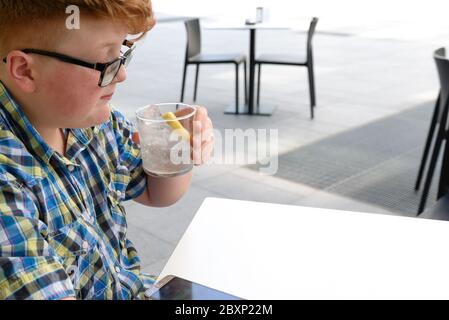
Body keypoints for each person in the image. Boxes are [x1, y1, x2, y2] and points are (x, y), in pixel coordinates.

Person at [0, 0, 214, 300]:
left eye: (122, 53)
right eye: (105, 63)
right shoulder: (7, 175)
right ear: (25, 70)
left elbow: (156, 192)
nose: (122, 75)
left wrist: (178, 147)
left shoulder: (92, 120)